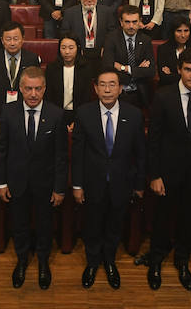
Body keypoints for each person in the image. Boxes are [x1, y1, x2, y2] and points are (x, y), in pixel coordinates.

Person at [146, 47, 191, 290]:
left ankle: (182, 261)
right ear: (179, 70)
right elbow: (154, 140)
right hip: (167, 172)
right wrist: (154, 174)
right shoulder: (163, 96)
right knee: (162, 217)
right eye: (188, 69)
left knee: (189, 218)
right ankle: (155, 261)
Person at [72, 68, 146, 290]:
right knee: (92, 225)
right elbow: (77, 153)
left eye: (112, 84)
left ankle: (110, 261)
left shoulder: (134, 115)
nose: (107, 89)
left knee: (115, 225)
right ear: (95, 88)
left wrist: (140, 184)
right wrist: (77, 185)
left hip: (122, 183)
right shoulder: (84, 113)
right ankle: (93, 262)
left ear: (120, 88)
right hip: (92, 183)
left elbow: (141, 154)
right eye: (102, 84)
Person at [0, 67, 67, 289]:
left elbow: (61, 156)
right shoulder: (7, 112)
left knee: (45, 225)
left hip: (45, 184)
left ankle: (43, 262)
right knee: (20, 224)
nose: (33, 94)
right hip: (16, 182)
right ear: (20, 88)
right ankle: (22, 260)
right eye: (28, 89)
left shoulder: (56, 114)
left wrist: (59, 188)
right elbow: (1, 150)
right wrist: (1, 182)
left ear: (44, 88)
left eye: (37, 89)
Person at [0, 21, 42, 119]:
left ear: (23, 39)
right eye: (8, 39)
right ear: (2, 40)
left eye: (16, 39)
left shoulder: (32, 59)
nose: (12, 43)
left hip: (24, 112)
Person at [61, 0, 117, 67]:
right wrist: (77, 49)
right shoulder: (70, 13)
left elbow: (112, 33)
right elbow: (65, 33)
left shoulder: (107, 12)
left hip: (101, 53)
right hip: (80, 54)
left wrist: (106, 48)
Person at [44, 34, 93, 127]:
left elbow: (87, 97)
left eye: (71, 48)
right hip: (56, 114)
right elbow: (48, 96)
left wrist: (79, 120)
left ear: (77, 48)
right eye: (63, 48)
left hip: (79, 114)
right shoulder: (52, 68)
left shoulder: (85, 68)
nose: (67, 52)